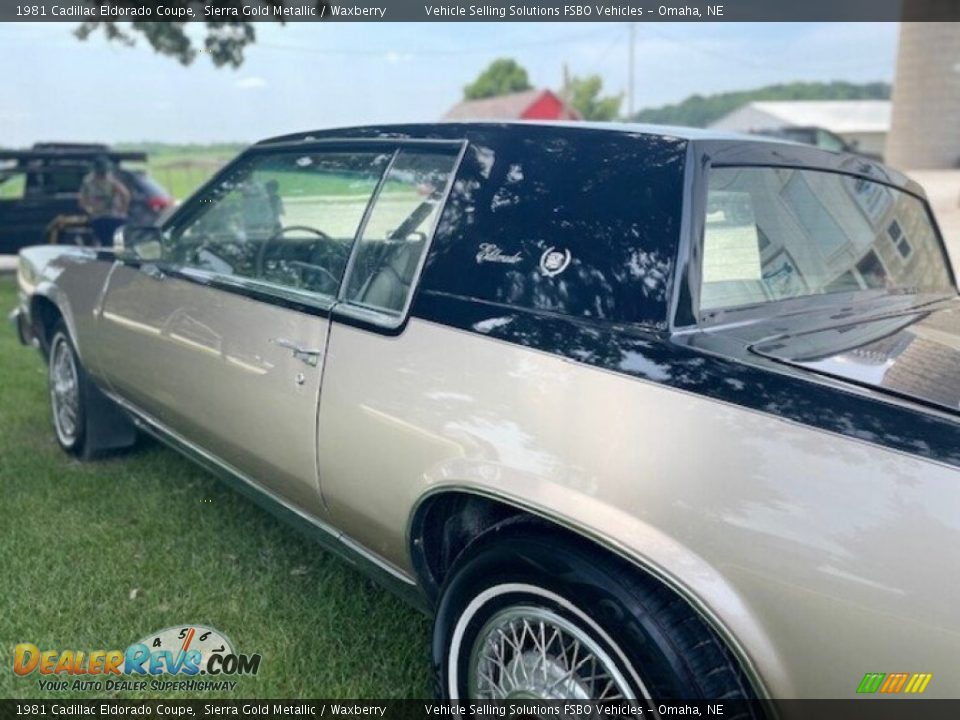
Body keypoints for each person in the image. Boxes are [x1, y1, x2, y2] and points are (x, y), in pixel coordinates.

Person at [78, 155, 130, 246]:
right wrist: (122, 211)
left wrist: (89, 210)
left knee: (106, 243)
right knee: (116, 244)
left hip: (101, 218)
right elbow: (125, 195)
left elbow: (82, 200)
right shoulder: (111, 180)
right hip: (113, 217)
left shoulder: (89, 181)